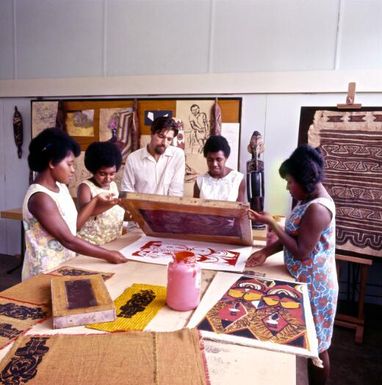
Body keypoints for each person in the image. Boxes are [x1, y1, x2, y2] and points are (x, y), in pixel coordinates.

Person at [246, 144, 338, 385]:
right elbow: (296, 237)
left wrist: (272, 224)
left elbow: (301, 250)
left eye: (289, 181)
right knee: (305, 341)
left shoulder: (318, 208)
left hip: (317, 289)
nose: (287, 187)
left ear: (305, 180)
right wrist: (266, 251)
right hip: (303, 281)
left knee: (318, 348)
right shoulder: (308, 199)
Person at [22, 128, 126, 280]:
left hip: (64, 266)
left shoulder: (61, 188)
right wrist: (109, 254)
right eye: (69, 164)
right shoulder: (40, 197)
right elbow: (68, 239)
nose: (73, 170)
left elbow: (74, 226)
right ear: (52, 163)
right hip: (44, 273)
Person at [120, 116, 185, 196]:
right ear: (151, 134)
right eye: (161, 136)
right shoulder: (133, 158)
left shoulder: (178, 155)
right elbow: (126, 190)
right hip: (140, 207)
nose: (164, 143)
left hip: (167, 207)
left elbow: (176, 191)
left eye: (169, 139)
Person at [77, 141, 125, 245]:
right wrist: (111, 204)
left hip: (113, 240)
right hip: (90, 243)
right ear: (94, 170)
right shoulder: (85, 187)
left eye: (112, 174)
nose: (108, 179)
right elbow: (85, 214)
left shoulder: (113, 186)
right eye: (102, 174)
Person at [193, 135, 245, 202]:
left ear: (226, 158)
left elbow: (241, 210)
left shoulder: (237, 179)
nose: (214, 164)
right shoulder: (200, 181)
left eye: (219, 159)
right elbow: (195, 210)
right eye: (210, 160)